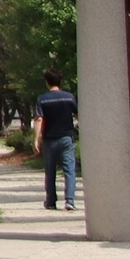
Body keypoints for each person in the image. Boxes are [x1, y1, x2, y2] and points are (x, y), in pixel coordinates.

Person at [33, 70, 78, 212]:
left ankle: (51, 201)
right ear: (60, 81)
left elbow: (39, 119)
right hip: (67, 138)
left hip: (50, 139)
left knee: (50, 171)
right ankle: (70, 200)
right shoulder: (70, 97)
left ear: (47, 82)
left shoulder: (42, 99)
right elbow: (78, 114)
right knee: (69, 170)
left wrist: (36, 139)